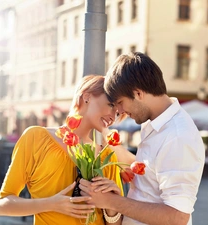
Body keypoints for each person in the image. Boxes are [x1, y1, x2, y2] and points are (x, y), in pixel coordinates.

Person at [79, 52, 205, 225]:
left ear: (138, 93)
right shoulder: (154, 124)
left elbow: (177, 217)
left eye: (120, 102)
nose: (120, 111)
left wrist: (110, 201)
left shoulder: (177, 135)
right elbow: (150, 187)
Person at [0, 74, 134, 225]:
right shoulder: (36, 138)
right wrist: (51, 204)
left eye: (118, 113)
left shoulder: (107, 156)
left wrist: (111, 205)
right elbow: (3, 204)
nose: (114, 116)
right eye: (111, 105)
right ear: (87, 96)